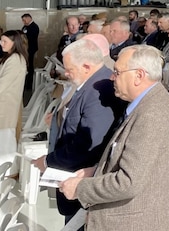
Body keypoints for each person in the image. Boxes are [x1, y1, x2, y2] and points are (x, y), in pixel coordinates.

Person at [60, 45, 169, 231]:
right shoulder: (147, 105)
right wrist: (96, 171)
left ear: (139, 76)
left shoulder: (152, 113)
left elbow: (128, 182)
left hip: (139, 222)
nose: (112, 77)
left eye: (118, 72)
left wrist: (80, 188)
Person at [34, 39, 123, 222]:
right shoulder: (91, 83)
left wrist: (50, 161)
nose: (66, 74)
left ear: (86, 66)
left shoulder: (100, 90)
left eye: (69, 69)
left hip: (83, 185)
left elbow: (88, 144)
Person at [0, 29, 27, 169]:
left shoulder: (16, 59)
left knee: (6, 140)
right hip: (0, 103)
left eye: (4, 41)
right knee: (0, 138)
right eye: (1, 40)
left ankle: (7, 169)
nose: (1, 44)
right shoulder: (7, 58)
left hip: (7, 104)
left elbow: (3, 82)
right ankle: (3, 168)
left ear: (14, 43)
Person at [21, 13, 39, 86]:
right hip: (25, 48)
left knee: (30, 65)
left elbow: (30, 37)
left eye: (24, 20)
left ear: (29, 18)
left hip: (31, 48)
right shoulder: (25, 27)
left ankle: (29, 82)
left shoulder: (34, 27)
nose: (23, 22)